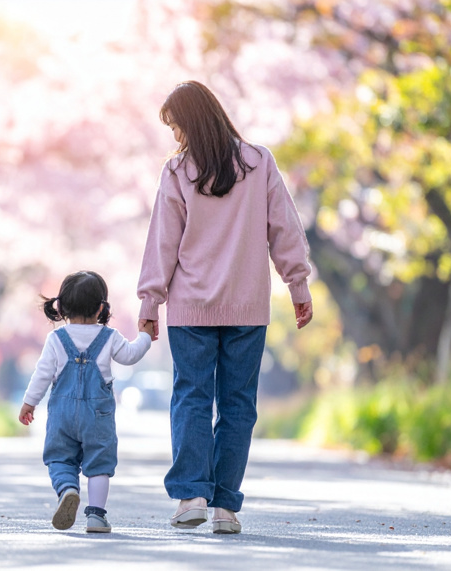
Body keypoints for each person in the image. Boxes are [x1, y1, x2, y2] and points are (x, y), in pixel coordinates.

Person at [137, 81, 314, 535]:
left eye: (176, 126)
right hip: (247, 305)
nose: (175, 136)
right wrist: (297, 284)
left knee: (192, 397)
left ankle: (191, 495)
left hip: (192, 307)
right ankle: (225, 508)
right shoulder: (259, 162)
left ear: (191, 122)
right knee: (238, 405)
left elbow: (163, 240)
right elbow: (285, 229)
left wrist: (151, 300)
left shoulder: (178, 171)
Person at [20, 270, 154, 533]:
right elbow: (130, 355)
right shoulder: (109, 336)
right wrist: (146, 336)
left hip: (62, 415)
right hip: (98, 416)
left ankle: (67, 489)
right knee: (99, 463)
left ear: (62, 306)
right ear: (101, 308)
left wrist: (29, 403)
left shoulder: (56, 339)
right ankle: (96, 516)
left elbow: (42, 375)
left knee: (59, 458)